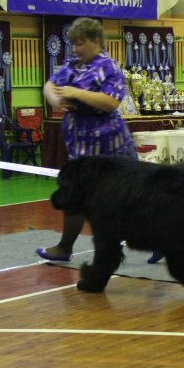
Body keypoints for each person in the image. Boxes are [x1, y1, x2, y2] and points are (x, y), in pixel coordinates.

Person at [36, 17, 162, 263]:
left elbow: (111, 102)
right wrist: (56, 99)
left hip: (109, 146)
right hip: (80, 145)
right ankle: (64, 248)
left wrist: (76, 93)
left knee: (129, 200)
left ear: (95, 41)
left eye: (80, 44)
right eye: (72, 44)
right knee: (75, 194)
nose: (75, 49)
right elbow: (50, 85)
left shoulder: (109, 67)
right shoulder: (72, 64)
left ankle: (162, 240)